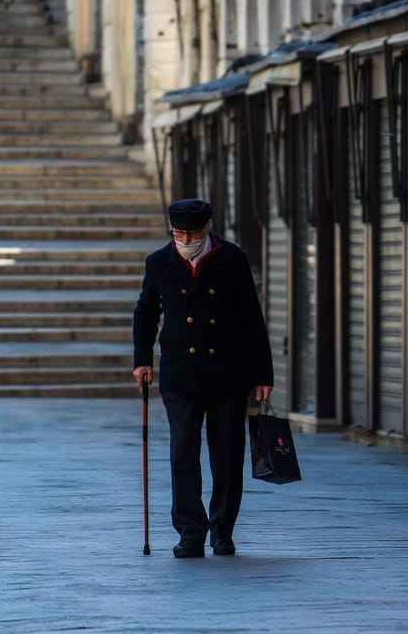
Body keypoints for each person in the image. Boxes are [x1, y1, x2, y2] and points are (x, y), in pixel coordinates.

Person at [132, 198, 274, 558]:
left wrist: (263, 374)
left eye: (191, 233)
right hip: (181, 373)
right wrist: (142, 360)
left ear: (207, 228)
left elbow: (252, 318)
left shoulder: (232, 258)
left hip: (228, 371)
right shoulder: (159, 261)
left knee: (226, 456)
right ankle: (190, 532)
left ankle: (222, 531)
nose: (184, 238)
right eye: (178, 232)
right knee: (183, 452)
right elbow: (145, 312)